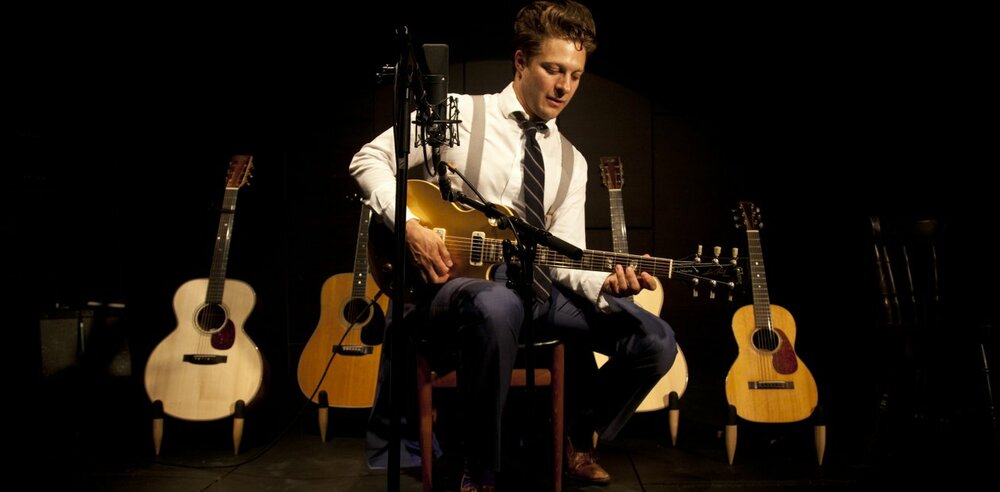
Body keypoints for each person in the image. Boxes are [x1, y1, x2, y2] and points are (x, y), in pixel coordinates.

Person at [350, 1, 677, 490]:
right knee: (497, 304)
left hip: (538, 292)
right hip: (455, 284)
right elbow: (368, 159)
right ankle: (478, 470)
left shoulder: (573, 162)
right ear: (521, 62)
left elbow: (565, 258)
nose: (564, 86)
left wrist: (607, 279)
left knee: (655, 341)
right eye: (553, 69)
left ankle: (569, 434)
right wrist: (410, 228)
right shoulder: (459, 113)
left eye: (575, 75)